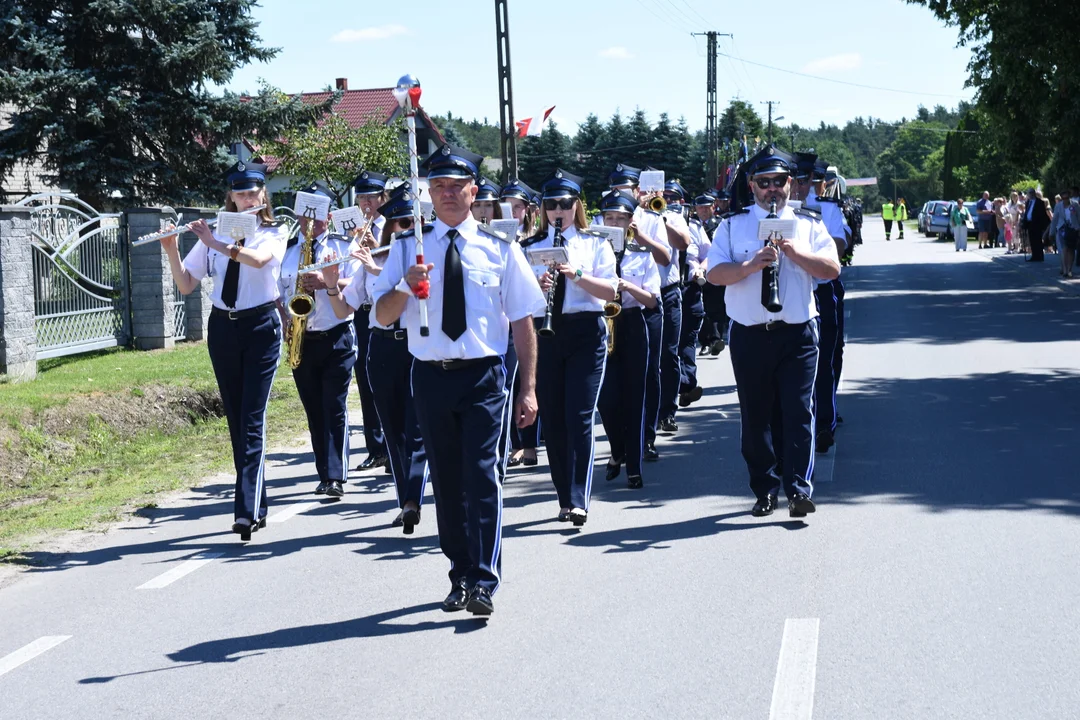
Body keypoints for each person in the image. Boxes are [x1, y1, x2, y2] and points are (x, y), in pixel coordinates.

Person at [372, 143, 545, 616]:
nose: (447, 194)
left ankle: (484, 580)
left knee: (482, 476)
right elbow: (383, 317)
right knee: (447, 482)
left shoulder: (500, 248)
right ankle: (460, 574)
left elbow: (523, 321)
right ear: (428, 193)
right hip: (429, 375)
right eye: (439, 186)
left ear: (474, 191)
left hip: (484, 376)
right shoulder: (409, 247)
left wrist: (527, 387)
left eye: (456, 186)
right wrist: (406, 283)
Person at [705, 145, 840, 519]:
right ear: (751, 185)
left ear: (789, 184)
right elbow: (714, 274)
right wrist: (749, 266)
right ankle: (764, 489)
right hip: (750, 334)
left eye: (778, 182)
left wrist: (796, 254)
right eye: (763, 183)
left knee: (797, 412)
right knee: (756, 417)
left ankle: (798, 489)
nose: (772, 189)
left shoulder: (809, 222)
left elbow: (832, 269)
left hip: (797, 333)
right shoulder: (733, 225)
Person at [160, 161, 288, 541]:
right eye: (240, 193)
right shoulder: (212, 233)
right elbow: (186, 284)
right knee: (236, 418)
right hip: (224, 328)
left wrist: (216, 243)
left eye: (253, 192)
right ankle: (257, 503)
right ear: (230, 196)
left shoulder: (273, 231)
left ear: (263, 194)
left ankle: (244, 512)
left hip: (262, 327)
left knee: (252, 418)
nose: (247, 199)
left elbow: (259, 261)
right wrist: (170, 248)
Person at [324, 187, 429, 532]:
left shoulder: (426, 259)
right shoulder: (374, 261)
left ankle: (414, 496)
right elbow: (344, 308)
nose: (406, 229)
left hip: (417, 346)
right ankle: (405, 501)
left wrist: (374, 268)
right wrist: (329, 287)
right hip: (382, 348)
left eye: (413, 222)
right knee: (394, 429)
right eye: (401, 223)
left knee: (417, 428)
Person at [523, 169, 617, 525]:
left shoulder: (595, 243)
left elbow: (610, 292)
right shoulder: (529, 247)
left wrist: (575, 274)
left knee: (578, 416)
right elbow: (515, 298)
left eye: (564, 204)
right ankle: (564, 496)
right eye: (551, 205)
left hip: (585, 333)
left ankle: (579, 498)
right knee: (555, 420)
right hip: (544, 334)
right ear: (544, 208)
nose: (557, 211)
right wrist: (538, 281)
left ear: (576, 205)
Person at [277, 185, 359, 499]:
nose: (311, 220)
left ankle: (337, 476)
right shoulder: (287, 249)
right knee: (314, 409)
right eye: (305, 212)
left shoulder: (342, 245)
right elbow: (276, 290)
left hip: (336, 334)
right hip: (301, 336)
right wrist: (285, 319)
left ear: (328, 215)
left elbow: (356, 280)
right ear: (298, 214)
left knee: (333, 406)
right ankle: (323, 474)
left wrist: (327, 282)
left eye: (318, 212)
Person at [605, 163, 677, 461]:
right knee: (616, 380)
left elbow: (666, 257)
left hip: (647, 302)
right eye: (617, 190)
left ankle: (645, 437)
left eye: (626, 190)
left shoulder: (650, 217)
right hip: (612, 311)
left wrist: (640, 235)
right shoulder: (604, 221)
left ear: (636, 191)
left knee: (648, 374)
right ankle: (622, 441)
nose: (622, 195)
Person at [596, 190, 660, 489]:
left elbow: (651, 302)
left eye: (620, 218)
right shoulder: (593, 252)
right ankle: (617, 448)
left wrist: (627, 287)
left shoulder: (641, 255)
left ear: (630, 222)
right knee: (606, 400)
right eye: (609, 217)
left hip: (633, 324)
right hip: (603, 325)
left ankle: (634, 466)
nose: (614, 223)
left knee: (634, 398)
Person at [350, 170, 390, 472]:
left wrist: (375, 244)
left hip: (387, 307)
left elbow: (391, 264)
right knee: (364, 376)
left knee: (386, 379)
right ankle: (375, 447)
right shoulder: (350, 229)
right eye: (361, 196)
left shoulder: (392, 224)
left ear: (382, 198)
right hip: (360, 308)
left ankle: (393, 444)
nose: (366, 202)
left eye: (371, 196)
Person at [499, 179, 541, 467]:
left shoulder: (535, 239)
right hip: (505, 321)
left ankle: (530, 444)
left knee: (528, 381)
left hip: (533, 319)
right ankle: (515, 443)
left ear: (527, 211)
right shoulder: (497, 238)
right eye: (508, 206)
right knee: (510, 384)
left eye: (518, 207)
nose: (512, 213)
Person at [696, 192, 728, 357]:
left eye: (706, 207)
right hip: (697, 273)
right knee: (703, 308)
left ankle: (716, 340)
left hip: (715, 270)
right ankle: (705, 342)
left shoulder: (720, 224)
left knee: (717, 307)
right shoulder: (692, 225)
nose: (703, 210)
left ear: (713, 207)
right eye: (700, 207)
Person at [1022, 188, 1051, 262]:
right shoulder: (1028, 202)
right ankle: (1034, 256)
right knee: (1032, 240)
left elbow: (1042, 214)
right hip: (1029, 223)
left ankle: (1039, 256)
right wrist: (1024, 222)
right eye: (1029, 193)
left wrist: (1042, 225)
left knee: (1038, 240)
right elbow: (1027, 212)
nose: (1030, 194)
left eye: (1032, 193)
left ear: (1034, 193)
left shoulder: (1040, 202)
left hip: (1037, 224)